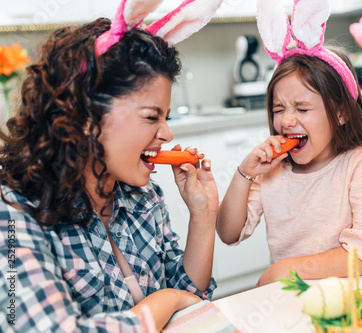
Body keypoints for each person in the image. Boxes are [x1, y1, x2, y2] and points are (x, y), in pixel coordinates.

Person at [0, 15, 219, 333]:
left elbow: (191, 304)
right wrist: (164, 302)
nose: (167, 134)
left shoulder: (142, 196)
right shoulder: (13, 213)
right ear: (86, 116)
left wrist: (204, 215)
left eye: (166, 117)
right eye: (151, 117)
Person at [216, 0, 362, 287]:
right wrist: (244, 173)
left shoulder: (360, 164)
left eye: (301, 109)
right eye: (278, 109)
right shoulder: (272, 170)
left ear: (341, 112)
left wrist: (285, 270)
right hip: (291, 300)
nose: (287, 121)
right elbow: (228, 232)